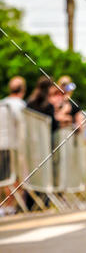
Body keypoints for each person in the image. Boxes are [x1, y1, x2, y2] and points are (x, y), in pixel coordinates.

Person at [0, 76, 27, 214]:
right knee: (15, 177)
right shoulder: (20, 105)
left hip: (2, 144)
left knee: (5, 177)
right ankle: (12, 205)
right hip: (14, 144)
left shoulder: (2, 103)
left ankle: (7, 205)